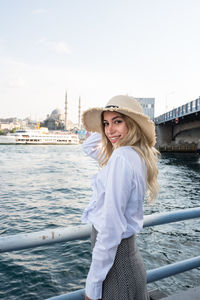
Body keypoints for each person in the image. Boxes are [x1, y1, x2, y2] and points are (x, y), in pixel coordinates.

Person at [81, 95, 159, 300]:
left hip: (116, 268)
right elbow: (87, 147)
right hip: (125, 263)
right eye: (106, 123)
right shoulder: (135, 154)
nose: (109, 129)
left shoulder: (122, 158)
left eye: (118, 121)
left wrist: (93, 284)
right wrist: (111, 132)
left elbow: (111, 227)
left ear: (132, 124)